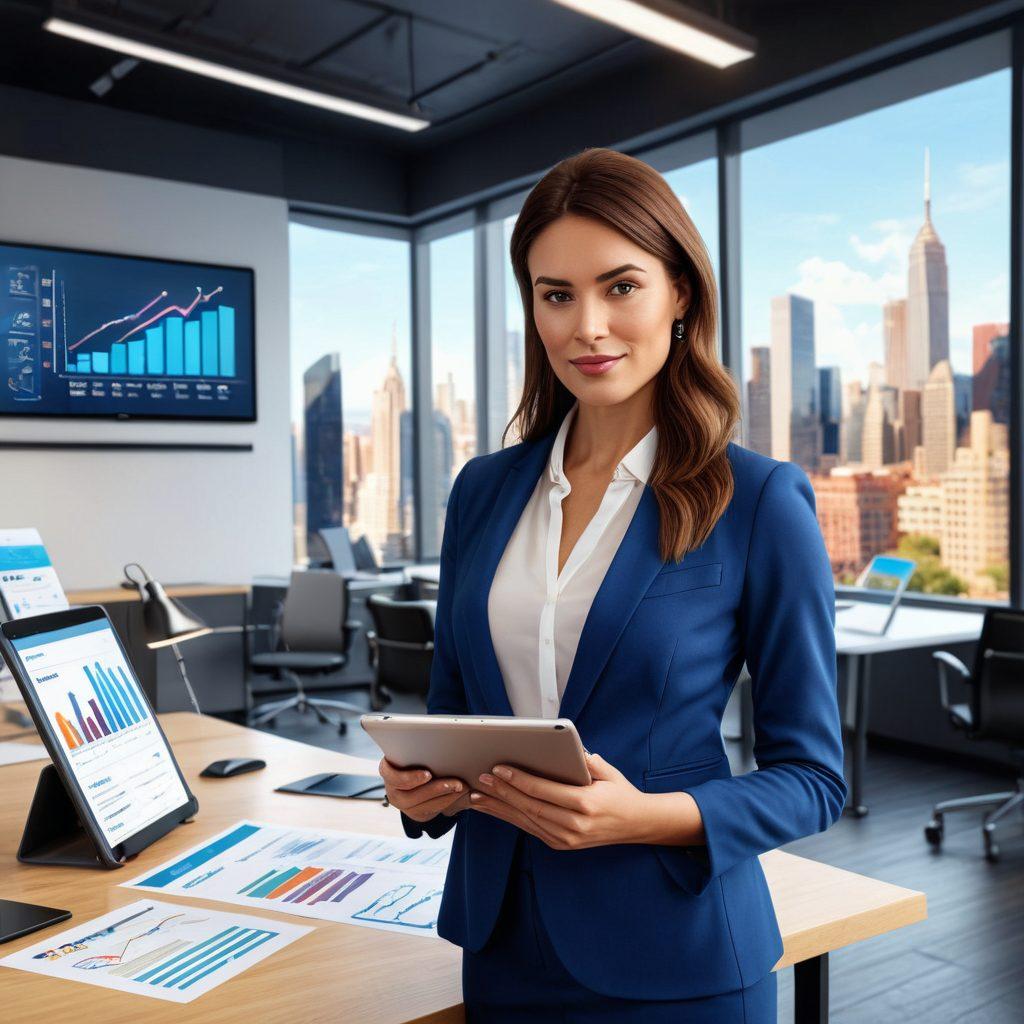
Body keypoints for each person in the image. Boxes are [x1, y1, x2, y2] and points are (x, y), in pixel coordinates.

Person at [380, 146, 847, 1022]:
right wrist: (419, 790)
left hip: (676, 955)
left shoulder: (758, 501)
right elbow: (453, 709)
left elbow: (814, 777)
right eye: (556, 294)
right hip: (505, 943)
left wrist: (648, 816)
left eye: (620, 287)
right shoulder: (482, 491)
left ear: (680, 295)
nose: (586, 325)